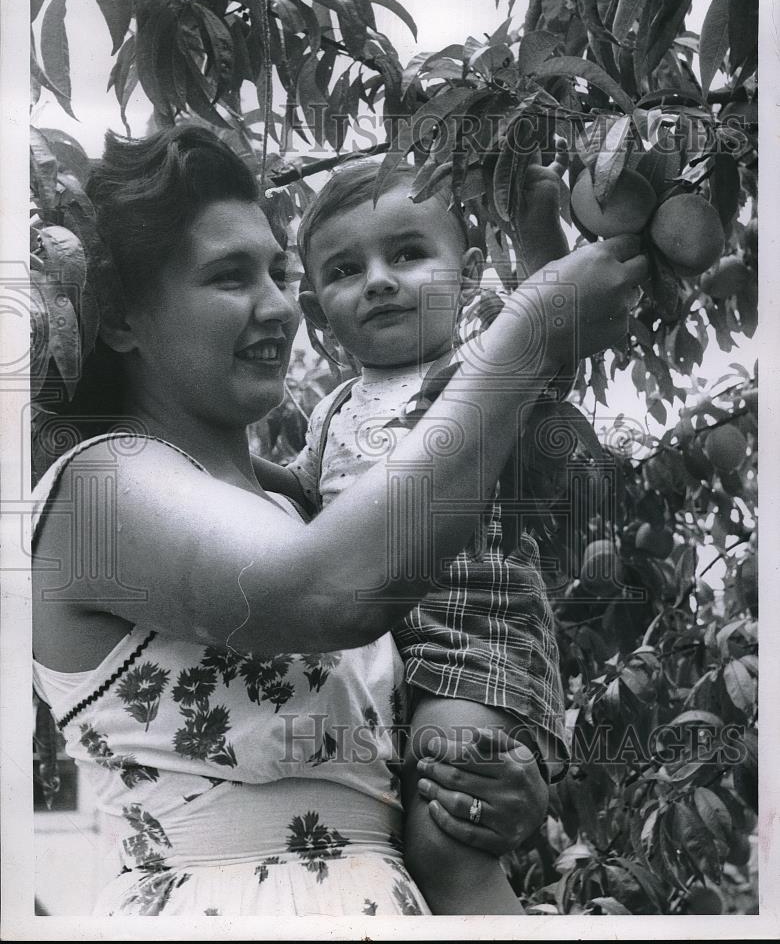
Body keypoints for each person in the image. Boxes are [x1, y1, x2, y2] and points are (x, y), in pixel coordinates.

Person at [31, 124, 646, 917]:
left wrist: (494, 790)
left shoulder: (298, 505)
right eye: (228, 277)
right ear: (120, 320)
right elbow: (330, 594)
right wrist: (527, 328)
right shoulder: (98, 485)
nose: (279, 307)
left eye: (279, 273)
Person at [263, 153, 569, 914]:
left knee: (448, 826)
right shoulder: (331, 408)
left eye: (407, 253)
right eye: (345, 268)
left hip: (475, 642)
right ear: (316, 308)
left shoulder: (478, 368)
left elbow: (555, 337)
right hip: (377, 651)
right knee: (390, 824)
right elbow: (306, 492)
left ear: (467, 275)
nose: (378, 279)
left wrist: (537, 231)